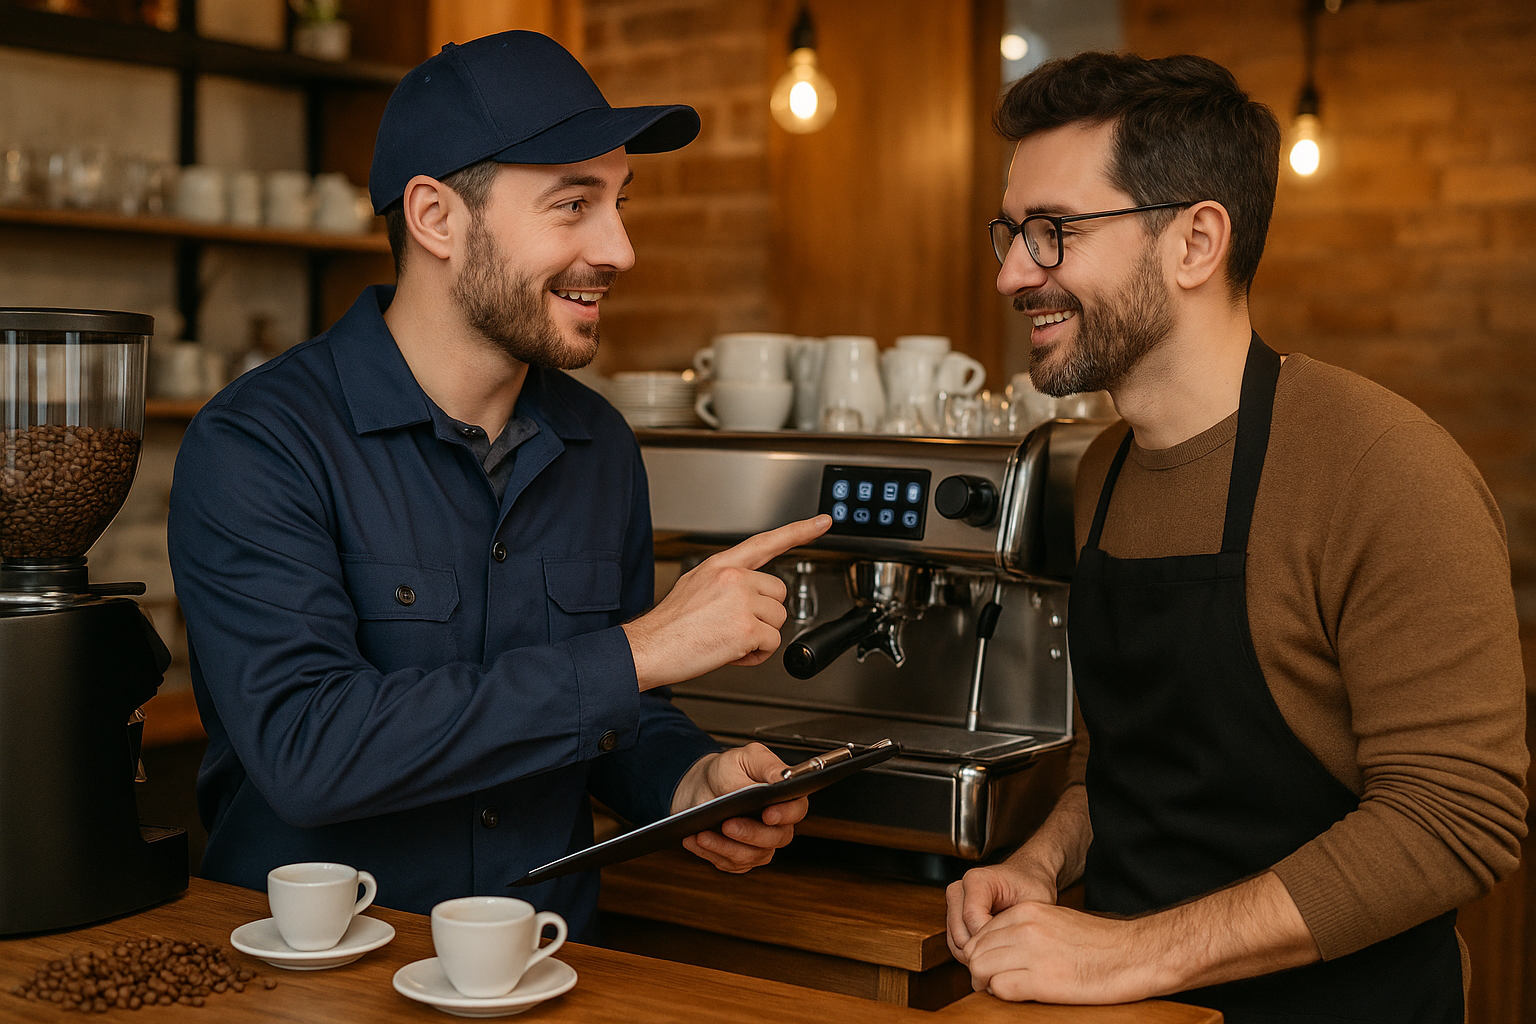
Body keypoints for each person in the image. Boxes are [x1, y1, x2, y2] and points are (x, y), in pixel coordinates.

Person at [167, 30, 829, 941]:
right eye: (572, 205)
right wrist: (639, 649)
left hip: (541, 971)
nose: (622, 250)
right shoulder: (260, 442)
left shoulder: (597, 443)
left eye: (620, 204)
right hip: (316, 987)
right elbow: (309, 750)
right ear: (436, 218)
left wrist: (687, 783)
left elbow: (617, 716)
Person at [945, 52, 1527, 1021]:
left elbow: (1457, 817)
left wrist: (1131, 954)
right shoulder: (1104, 471)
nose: (1012, 272)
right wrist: (1043, 860)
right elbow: (1121, 764)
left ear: (1196, 241)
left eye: (1054, 232)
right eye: (1009, 231)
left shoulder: (1386, 467)